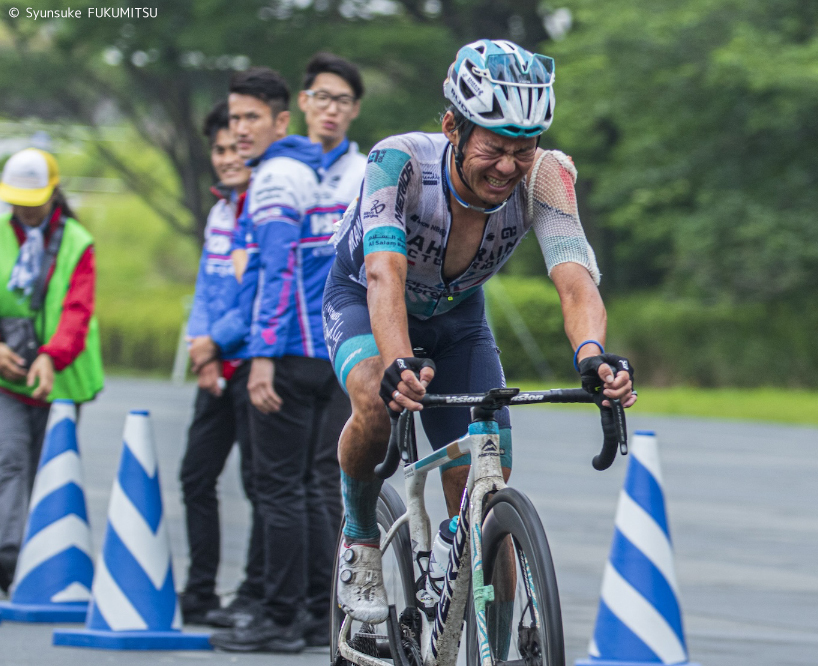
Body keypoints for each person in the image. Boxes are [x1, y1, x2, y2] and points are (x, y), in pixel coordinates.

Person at [324, 39, 636, 623]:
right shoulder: (398, 164)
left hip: (457, 316)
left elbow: (574, 279)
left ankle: (468, 574)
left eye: (524, 149)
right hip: (365, 299)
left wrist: (593, 356)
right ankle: (360, 536)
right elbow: (382, 272)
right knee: (373, 396)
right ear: (452, 127)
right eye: (494, 147)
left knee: (487, 475)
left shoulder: (548, 177)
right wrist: (398, 362)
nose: (508, 167)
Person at [209, 66, 341, 653]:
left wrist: (260, 354)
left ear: (281, 121)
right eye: (234, 118)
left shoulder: (274, 180)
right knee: (307, 489)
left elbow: (279, 271)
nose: (239, 131)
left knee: (279, 489)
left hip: (289, 351)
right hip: (323, 352)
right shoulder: (304, 169)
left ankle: (281, 618)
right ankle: (316, 612)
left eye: (251, 118)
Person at [0, 148, 103, 595]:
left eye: (33, 198)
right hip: (6, 375)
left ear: (53, 193)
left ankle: (41, 565)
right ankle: (7, 559)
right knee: (9, 461)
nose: (24, 207)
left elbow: (77, 310)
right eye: (17, 198)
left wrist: (51, 355)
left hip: (60, 378)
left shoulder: (78, 242)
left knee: (49, 468)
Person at [177, 102, 263, 625]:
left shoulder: (265, 205)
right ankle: (200, 591)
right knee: (194, 476)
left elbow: (257, 297)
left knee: (261, 485)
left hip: (256, 364)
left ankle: (256, 595)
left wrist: (215, 344)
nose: (228, 157)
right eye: (219, 149)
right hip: (217, 365)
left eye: (236, 148)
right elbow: (208, 289)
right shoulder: (220, 210)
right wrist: (199, 347)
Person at [296, 51, 367, 568]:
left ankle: (328, 592)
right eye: (322, 98)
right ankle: (288, 595)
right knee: (279, 478)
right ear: (303, 102)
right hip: (289, 342)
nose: (331, 110)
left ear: (354, 111)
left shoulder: (367, 173)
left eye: (342, 101)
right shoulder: (279, 170)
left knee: (326, 470)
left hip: (343, 337)